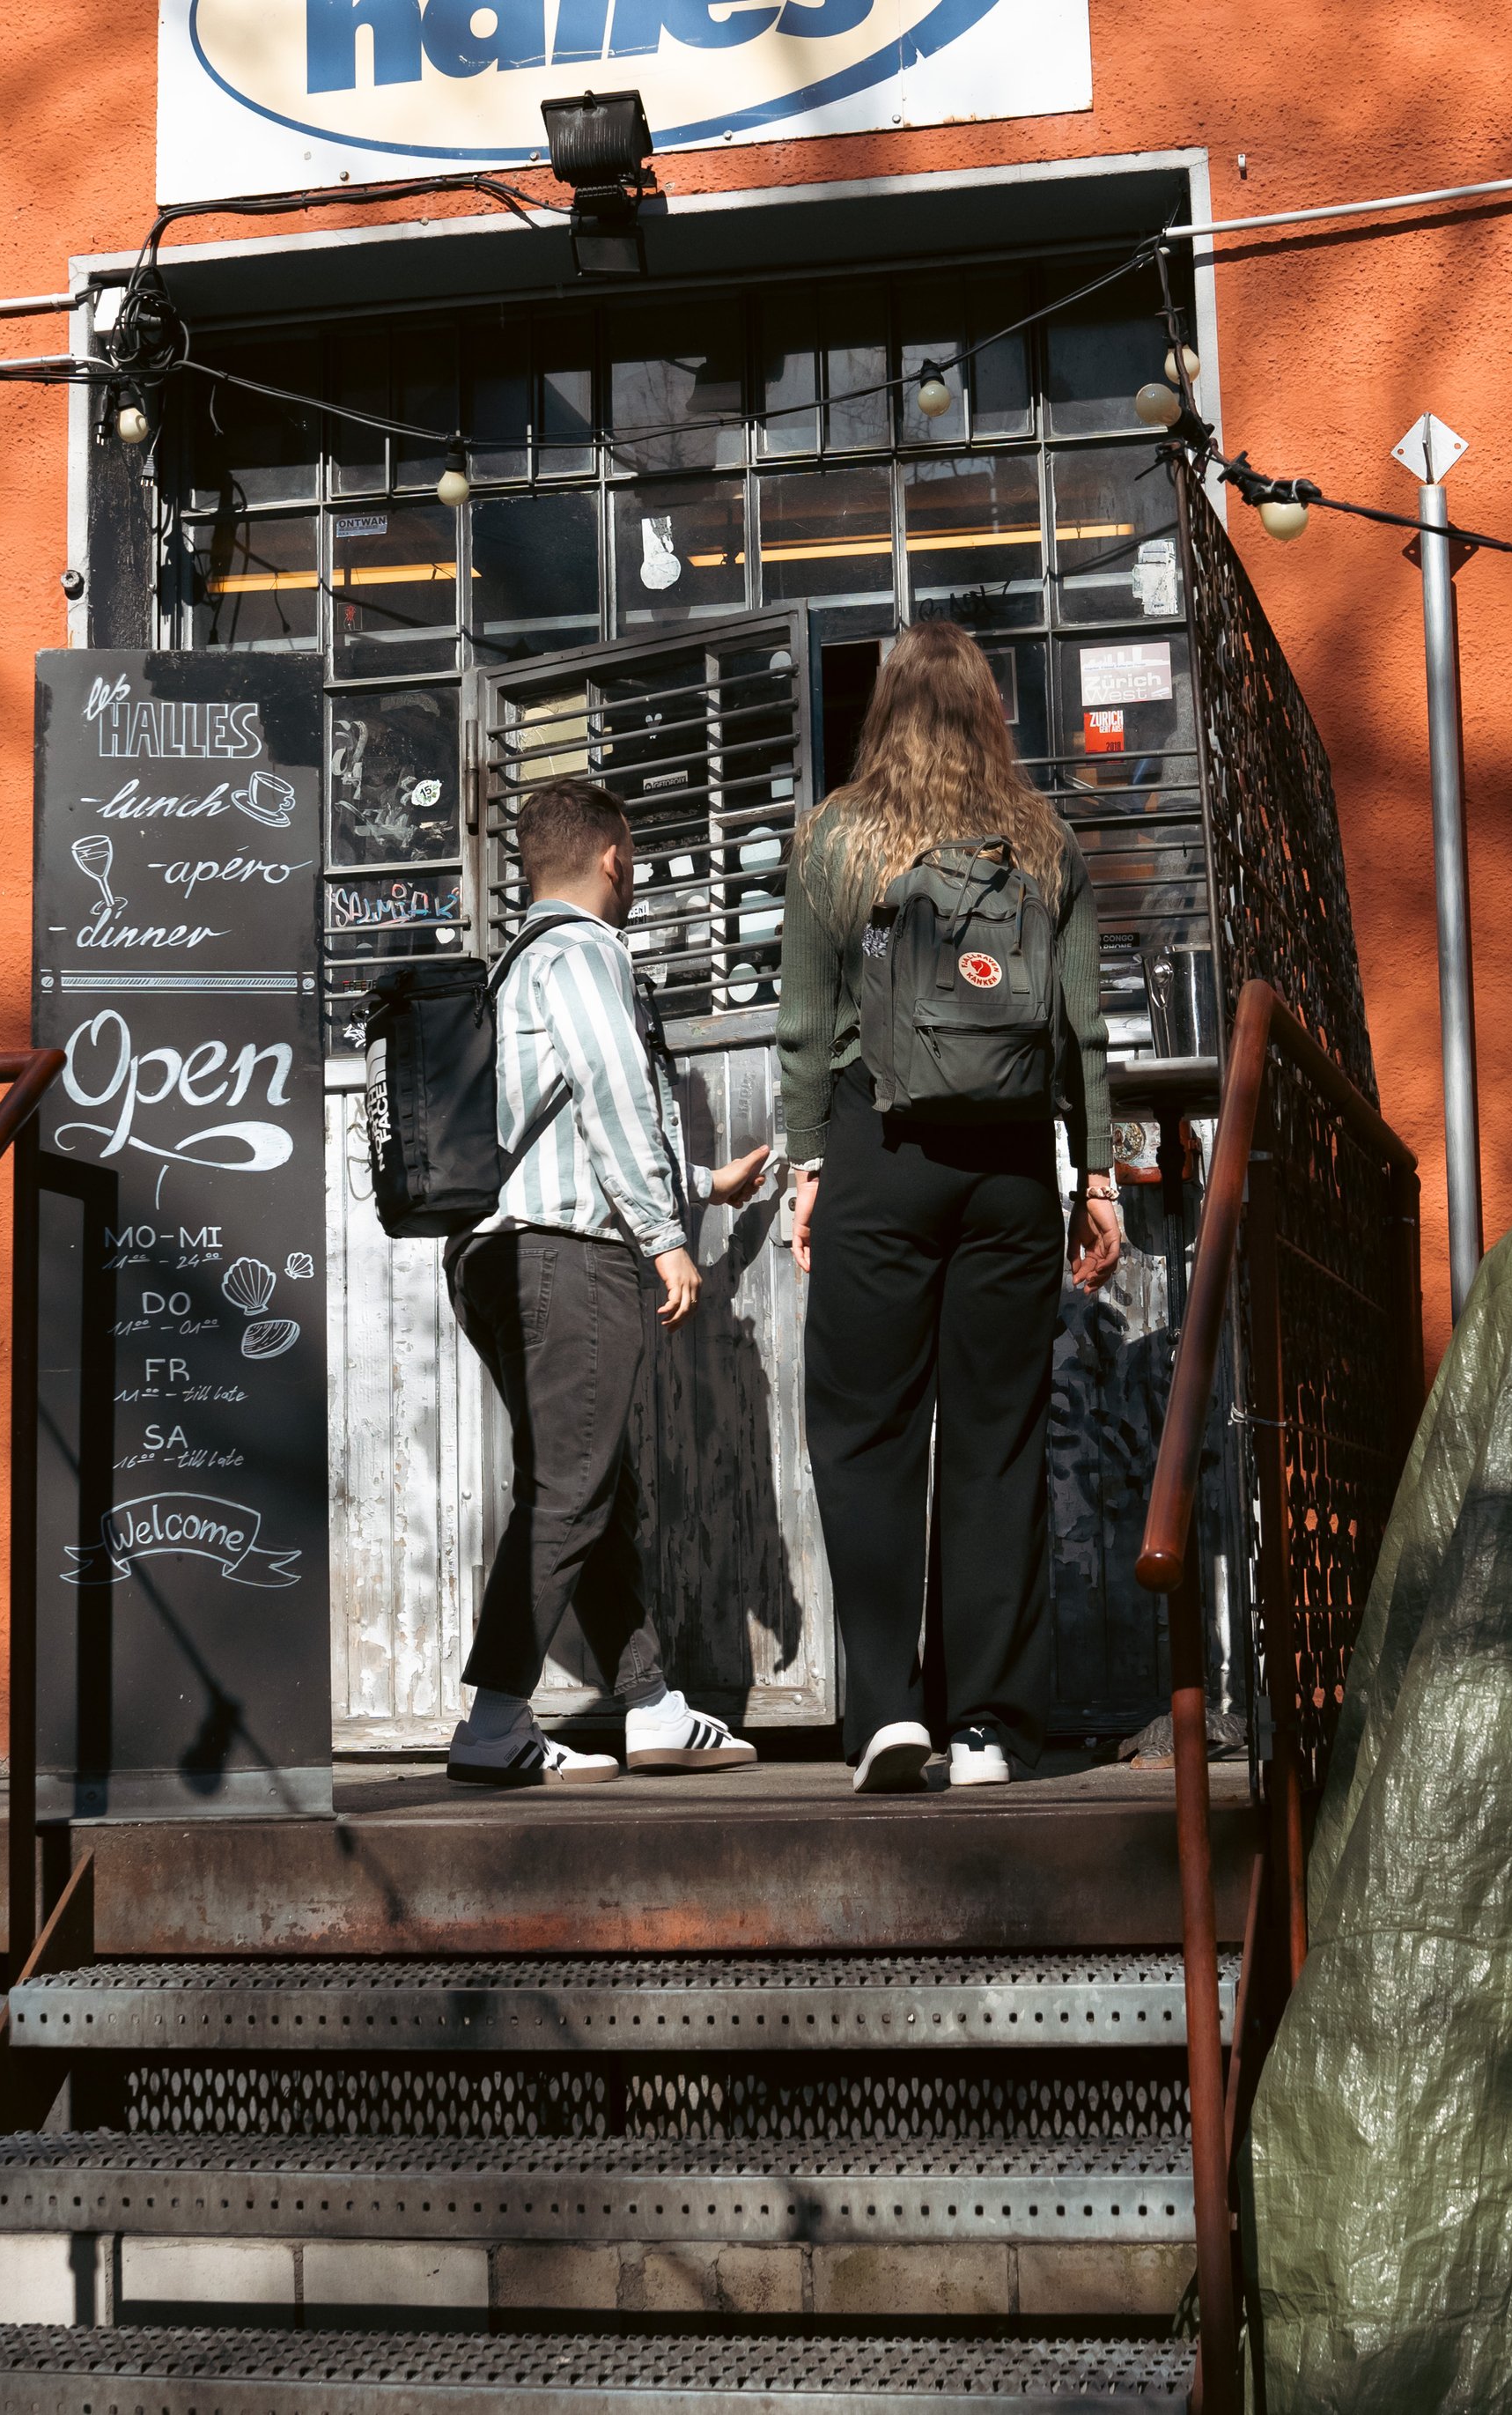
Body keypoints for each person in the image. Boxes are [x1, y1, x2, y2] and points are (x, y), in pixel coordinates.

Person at [778, 620, 1125, 1793]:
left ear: (884, 716)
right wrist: (1102, 1173)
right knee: (996, 1441)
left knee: (868, 1434)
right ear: (992, 709)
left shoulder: (836, 838)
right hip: (1014, 1166)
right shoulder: (1045, 842)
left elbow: (805, 1027)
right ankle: (987, 1724)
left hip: (882, 1147)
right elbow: (1084, 1029)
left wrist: (806, 1166)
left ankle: (886, 1711)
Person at [444, 777, 775, 1788]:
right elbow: (612, 1087)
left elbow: (569, 1121)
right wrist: (667, 1235)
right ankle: (494, 1724)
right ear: (615, 859)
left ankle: (652, 1707)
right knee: (569, 1493)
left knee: (592, 1488)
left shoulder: (512, 970)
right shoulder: (585, 952)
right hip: (565, 1258)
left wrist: (705, 1185)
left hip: (496, 1257)